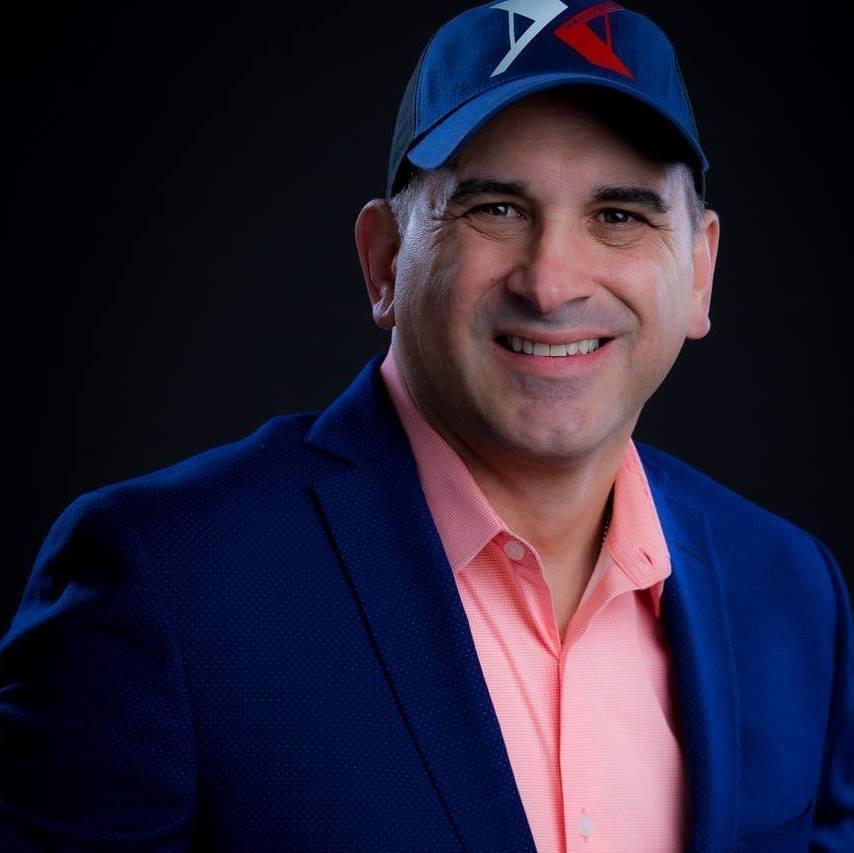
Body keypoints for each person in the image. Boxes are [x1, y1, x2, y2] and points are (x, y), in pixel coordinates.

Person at [1, 1, 851, 850]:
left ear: (699, 272)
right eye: (496, 209)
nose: (552, 282)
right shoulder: (168, 584)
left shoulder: (792, 594)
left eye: (619, 216)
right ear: (383, 263)